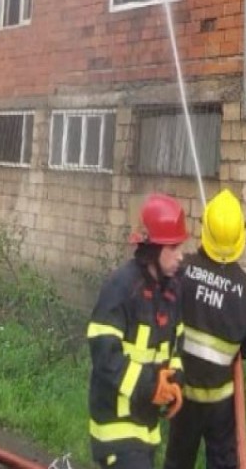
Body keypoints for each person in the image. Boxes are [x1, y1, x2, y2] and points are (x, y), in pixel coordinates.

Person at [88, 193, 188, 469]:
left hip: (146, 428)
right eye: (173, 247)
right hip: (117, 428)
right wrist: (152, 385)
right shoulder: (121, 288)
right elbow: (105, 357)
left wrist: (174, 382)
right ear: (153, 249)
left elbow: (177, 345)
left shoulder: (171, 291)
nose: (181, 255)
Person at [164, 189, 246, 469]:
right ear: (240, 237)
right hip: (220, 403)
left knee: (178, 462)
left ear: (205, 230)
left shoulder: (183, 270)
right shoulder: (245, 289)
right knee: (222, 463)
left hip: (182, 395)